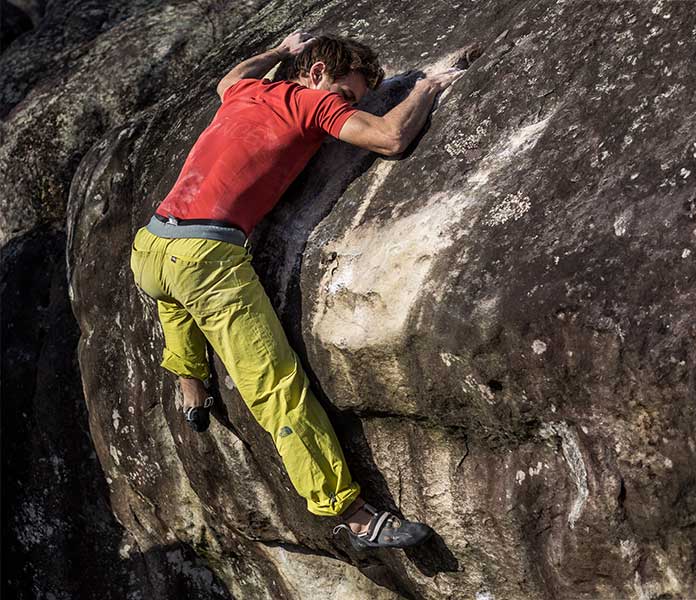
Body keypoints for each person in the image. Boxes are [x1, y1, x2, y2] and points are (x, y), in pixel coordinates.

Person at [129, 30, 465, 550]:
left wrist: (280, 51)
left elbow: (229, 77)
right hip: (205, 258)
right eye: (345, 93)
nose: (344, 105)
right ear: (315, 75)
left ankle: (190, 388)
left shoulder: (248, 92)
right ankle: (350, 514)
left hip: (151, 245)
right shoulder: (311, 103)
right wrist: (428, 87)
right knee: (276, 387)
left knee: (174, 304)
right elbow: (390, 139)